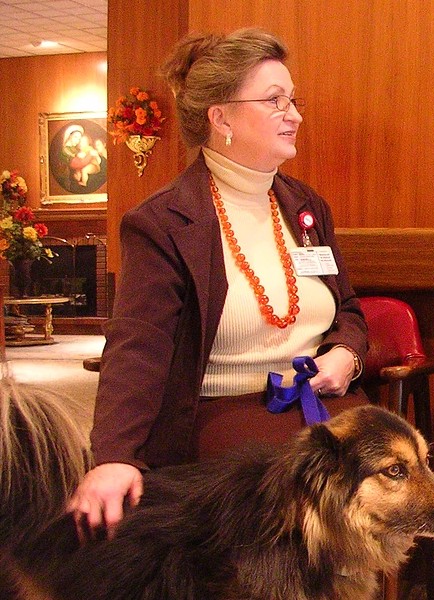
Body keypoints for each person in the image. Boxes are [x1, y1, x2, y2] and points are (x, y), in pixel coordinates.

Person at [70, 28, 368, 534]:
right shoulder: (163, 222)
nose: (294, 115)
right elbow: (139, 345)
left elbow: (349, 311)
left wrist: (347, 353)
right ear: (221, 117)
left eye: (293, 100)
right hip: (229, 422)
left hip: (328, 414)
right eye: (275, 101)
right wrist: (114, 455)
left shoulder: (305, 207)